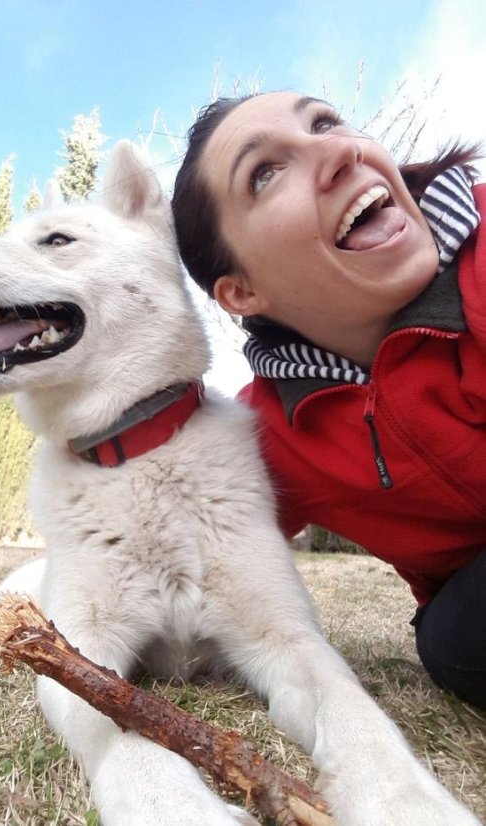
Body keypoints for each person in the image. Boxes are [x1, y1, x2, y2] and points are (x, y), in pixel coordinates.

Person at [171, 90, 486, 709]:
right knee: (454, 641)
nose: (340, 150)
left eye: (326, 123)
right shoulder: (269, 434)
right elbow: (191, 554)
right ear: (240, 291)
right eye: (264, 172)